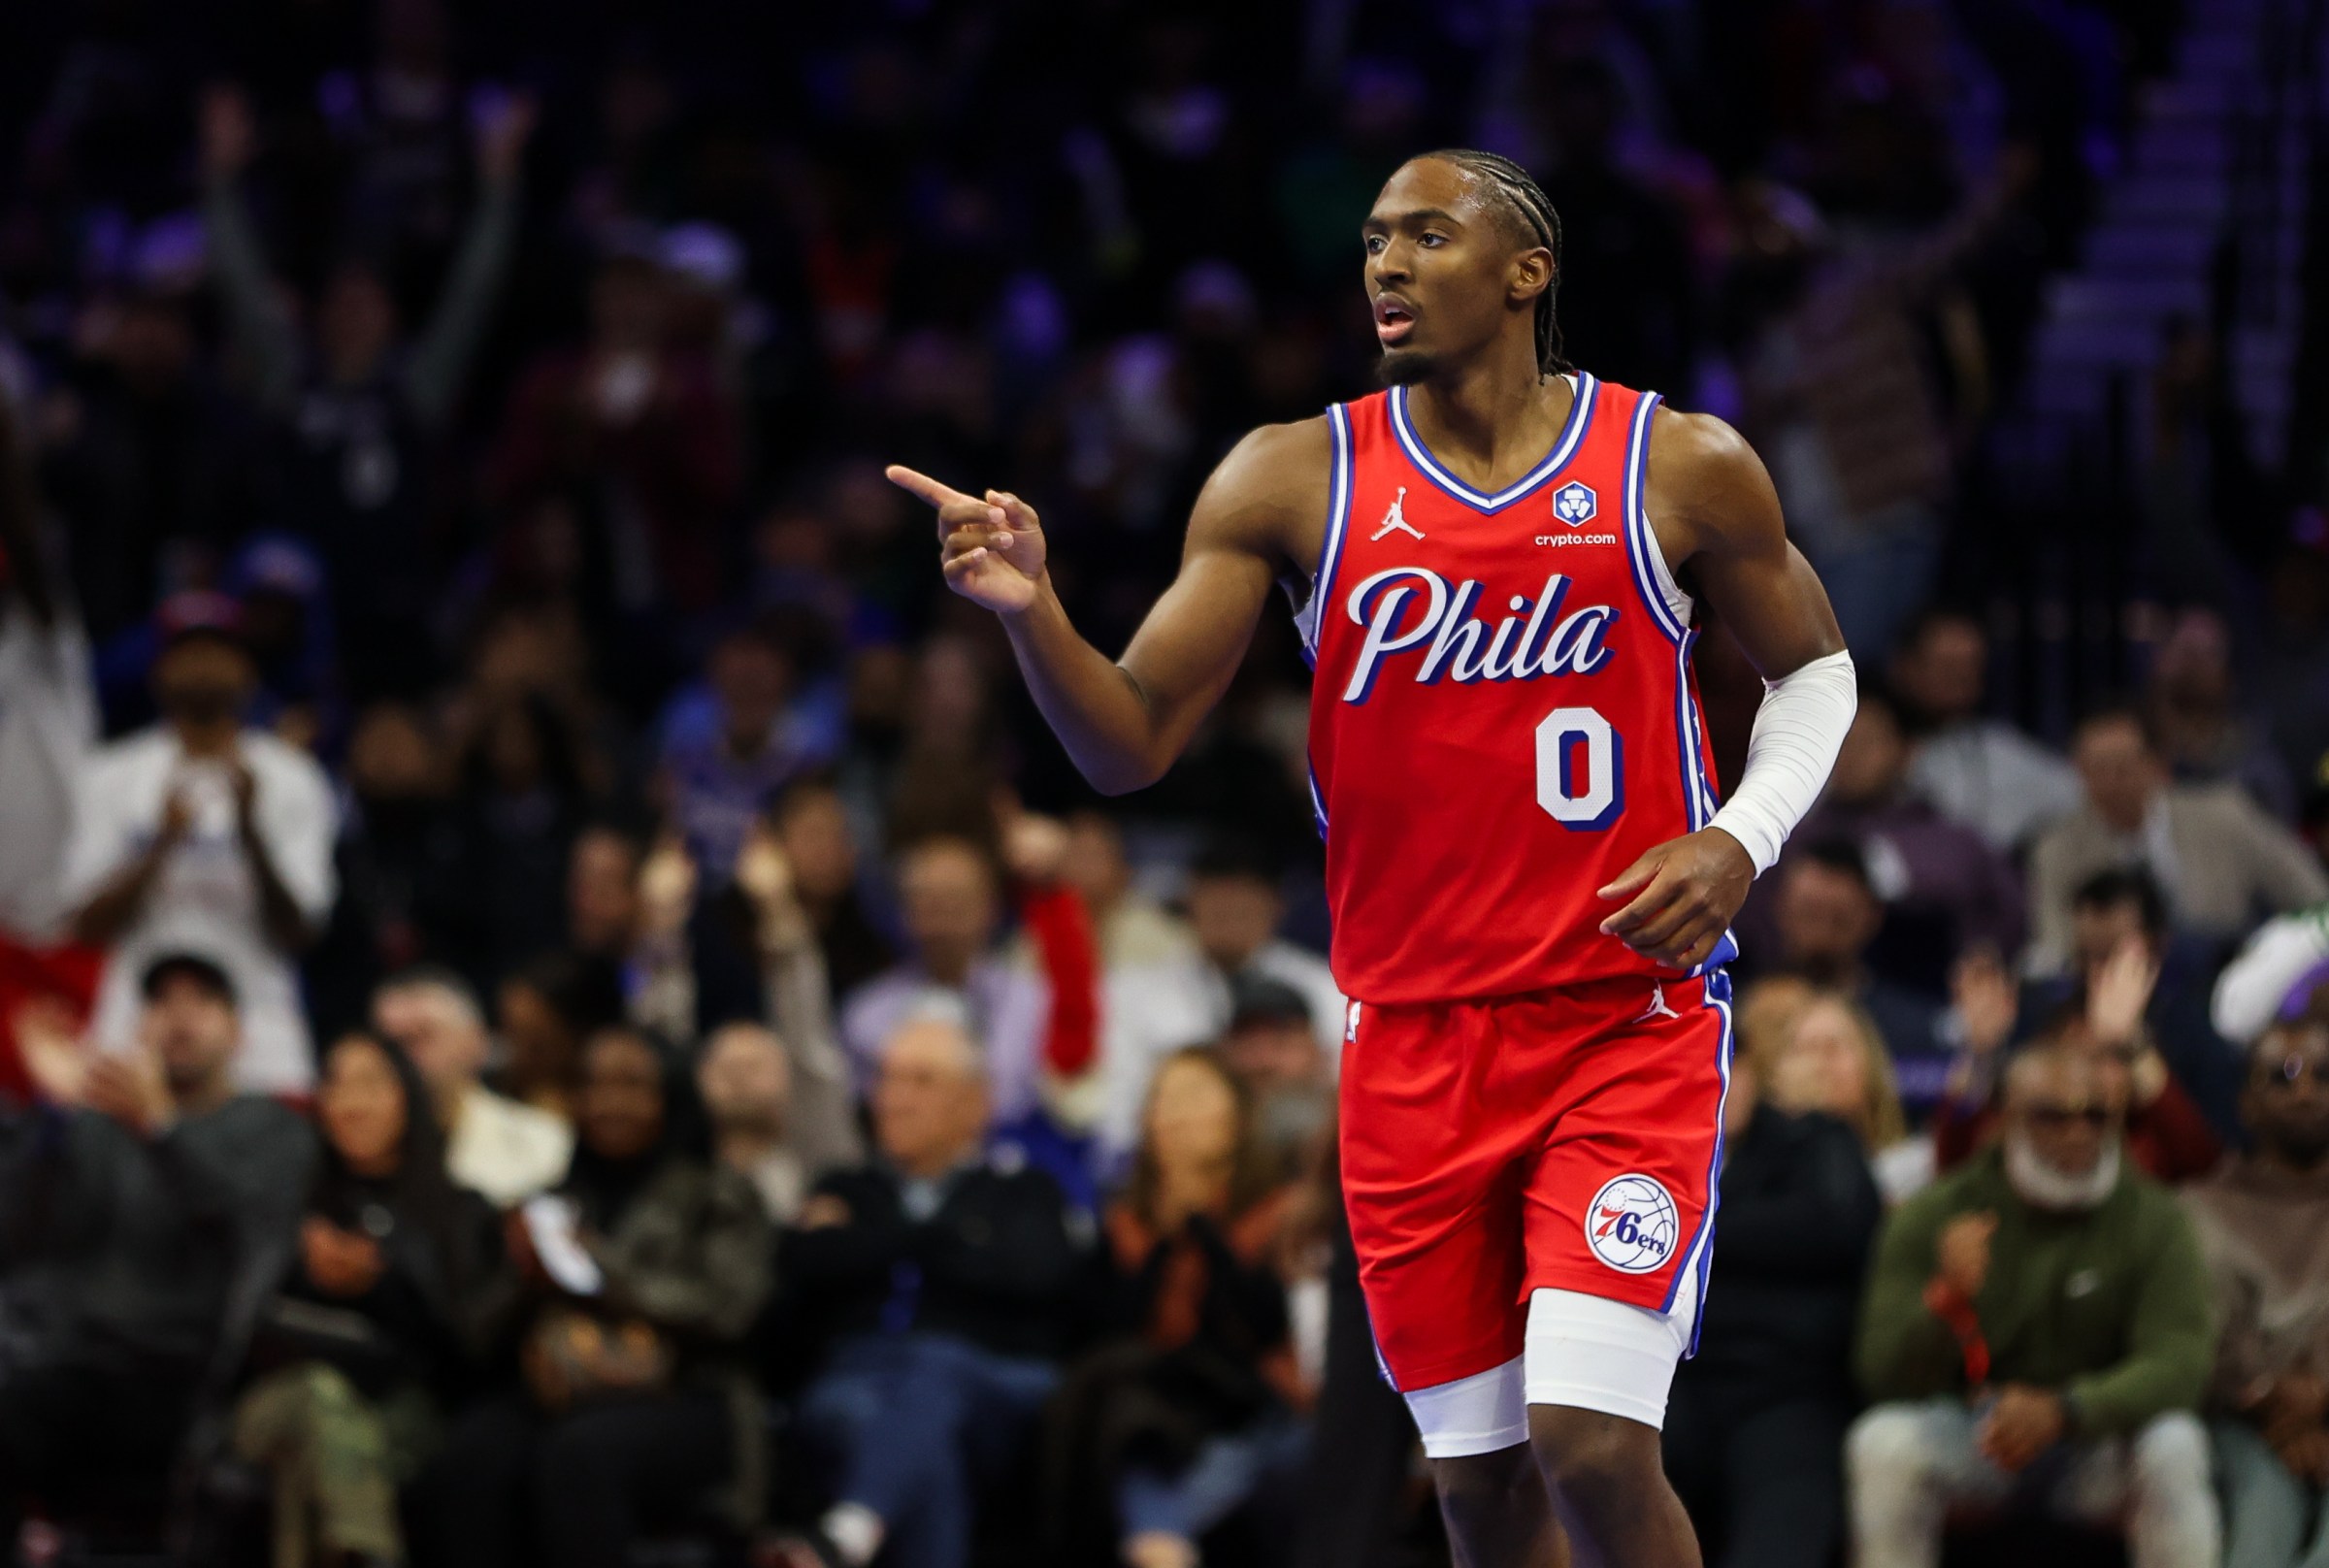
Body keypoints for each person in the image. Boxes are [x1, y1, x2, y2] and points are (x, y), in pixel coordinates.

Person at [889, 147, 1858, 1568]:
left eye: (1428, 235)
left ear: (1528, 271)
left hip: (1620, 1024)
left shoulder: (1678, 462)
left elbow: (1819, 673)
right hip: (1412, 1040)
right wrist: (1034, 616)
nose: (1386, 265)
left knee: (1589, 1440)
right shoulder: (1292, 475)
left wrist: (1739, 837)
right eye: (1372, 241)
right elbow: (1130, 741)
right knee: (1484, 1492)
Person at [411, 1024, 772, 1567]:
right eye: (593, 1086)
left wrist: (602, 1272)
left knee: (579, 1455)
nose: (609, 1103)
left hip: (689, 1392)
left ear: (669, 1094)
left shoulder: (719, 1191)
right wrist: (525, 1276)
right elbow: (474, 1335)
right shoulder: (553, 1197)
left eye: (631, 1085)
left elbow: (728, 1312)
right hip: (562, 1386)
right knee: (469, 1458)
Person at [1848, 1048, 2220, 1567]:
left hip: (2096, 1442)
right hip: (1980, 1439)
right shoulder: (1937, 1213)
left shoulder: (2154, 1217)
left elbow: (2181, 1365)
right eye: (2052, 1115)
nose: (2078, 1133)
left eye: (2096, 1115)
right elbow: (1880, 1374)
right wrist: (1945, 1300)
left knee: (2175, 1444)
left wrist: (2065, 1410)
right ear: (2002, 1123)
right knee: (1881, 1444)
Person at [0, 954, 312, 1542]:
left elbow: (241, 1220)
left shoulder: (273, 1129)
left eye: (202, 1002)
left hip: (190, 1381)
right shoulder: (97, 1125)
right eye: (161, 1002)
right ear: (139, 1027)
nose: (179, 1017)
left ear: (238, 1032)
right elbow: (20, 1234)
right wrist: (53, 1116)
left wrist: (163, 1128)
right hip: (75, 1364)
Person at [783, 1014, 1088, 1568]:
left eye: (921, 1082)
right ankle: (856, 1525)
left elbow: (1040, 1277)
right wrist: (952, 1241)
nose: (894, 1099)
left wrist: (875, 1241)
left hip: (996, 1382)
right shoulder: (846, 1183)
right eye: (886, 1079)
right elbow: (803, 1269)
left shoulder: (1025, 1189)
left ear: (977, 1103)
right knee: (916, 1442)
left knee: (937, 1366)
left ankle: (846, 1533)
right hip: (858, 1378)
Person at [227, 1029, 502, 1568]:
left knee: (325, 1443)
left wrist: (380, 1284)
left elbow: (467, 1351)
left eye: (372, 1084)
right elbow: (237, 1329)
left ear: (408, 1097)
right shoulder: (284, 1201)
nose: (353, 1103)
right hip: (274, 1400)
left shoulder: (458, 1211)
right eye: (338, 1086)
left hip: (403, 1410)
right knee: (320, 1396)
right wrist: (303, 1272)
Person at [61, 593, 338, 1094]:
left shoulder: (292, 776)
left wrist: (252, 833)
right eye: (186, 650)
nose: (203, 665)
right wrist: (161, 844)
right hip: (133, 1031)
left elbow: (302, 930)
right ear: (159, 669)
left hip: (262, 1037)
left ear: (247, 669)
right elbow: (85, 926)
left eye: (219, 649)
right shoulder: (110, 774)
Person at [1048, 1047, 1307, 1568]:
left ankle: (1158, 1538)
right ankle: (1161, 1541)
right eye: (1163, 1101)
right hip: (1156, 1412)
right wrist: (1167, 1238)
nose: (1176, 1115)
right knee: (1134, 1424)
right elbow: (1106, 1338)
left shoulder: (1281, 1213)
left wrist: (1203, 1229)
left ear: (1236, 1121)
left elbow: (1260, 1327)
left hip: (1252, 1403)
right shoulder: (1123, 1222)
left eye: (1193, 1098)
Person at [1662, 1020, 1882, 1568]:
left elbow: (1839, 1225)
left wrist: (1700, 1229)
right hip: (1674, 1391)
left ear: (1756, 1075)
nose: (1717, 1083)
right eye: (1697, 1070)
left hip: (1787, 1394)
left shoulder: (1813, 1139)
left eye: (1729, 1066)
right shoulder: (1650, 1161)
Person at [2183, 1012, 2329, 1568]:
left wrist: (2320, 1400)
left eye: (2324, 1073)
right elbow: (2192, 1345)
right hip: (2237, 1423)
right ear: (2247, 1103)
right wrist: (2272, 1399)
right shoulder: (2201, 1208)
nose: (2307, 1091)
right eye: (2284, 1076)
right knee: (2260, 1525)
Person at [2027, 710, 2327, 975]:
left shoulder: (2224, 815)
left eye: (2122, 767)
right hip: (2114, 988)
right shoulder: (2056, 851)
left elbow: (2313, 896)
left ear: (2156, 764)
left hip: (2225, 980)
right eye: (2096, 769)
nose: (2111, 782)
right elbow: (2055, 948)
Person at [1767, 839, 1948, 1108]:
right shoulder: (1739, 1014)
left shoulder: (1915, 1030)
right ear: (1781, 908)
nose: (1822, 934)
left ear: (1872, 916)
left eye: (1838, 918)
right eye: (1810, 913)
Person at [373, 967, 572, 1207]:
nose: (406, 1057)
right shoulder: (356, 1158)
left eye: (423, 1036)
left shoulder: (544, 1140)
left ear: (475, 1040)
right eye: (393, 1044)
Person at [1889, 608, 2082, 854]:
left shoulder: (2002, 749)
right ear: (1905, 667)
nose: (1960, 679)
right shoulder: (1857, 741)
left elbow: (2075, 794)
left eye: (1970, 666)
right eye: (1947, 666)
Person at [1755, 987, 1930, 1205]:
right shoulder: (1760, 1175)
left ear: (1870, 1061)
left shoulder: (1919, 1165)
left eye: (1832, 1048)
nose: (1818, 1064)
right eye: (1805, 1050)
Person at [1182, 833, 1345, 1063]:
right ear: (1189, 903)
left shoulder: (1324, 988)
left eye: (1242, 897)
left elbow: (1339, 1079)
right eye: (1213, 897)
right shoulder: (1141, 991)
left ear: (1276, 904)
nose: (1226, 907)